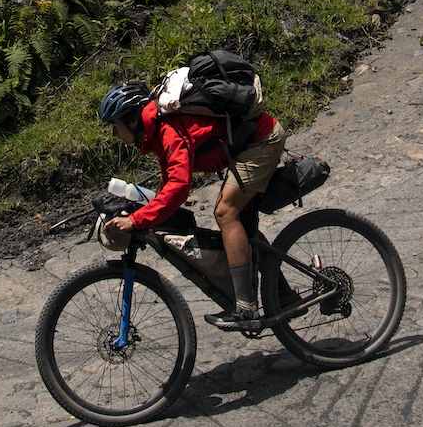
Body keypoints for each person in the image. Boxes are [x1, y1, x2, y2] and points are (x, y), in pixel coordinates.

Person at [96, 78, 287, 325]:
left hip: (262, 140)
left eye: (115, 126)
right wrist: (140, 213)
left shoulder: (167, 128)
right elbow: (169, 183)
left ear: (131, 121)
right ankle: (283, 296)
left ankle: (246, 308)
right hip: (246, 147)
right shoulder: (156, 130)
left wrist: (136, 221)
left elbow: (179, 187)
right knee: (243, 226)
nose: (114, 134)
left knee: (226, 212)